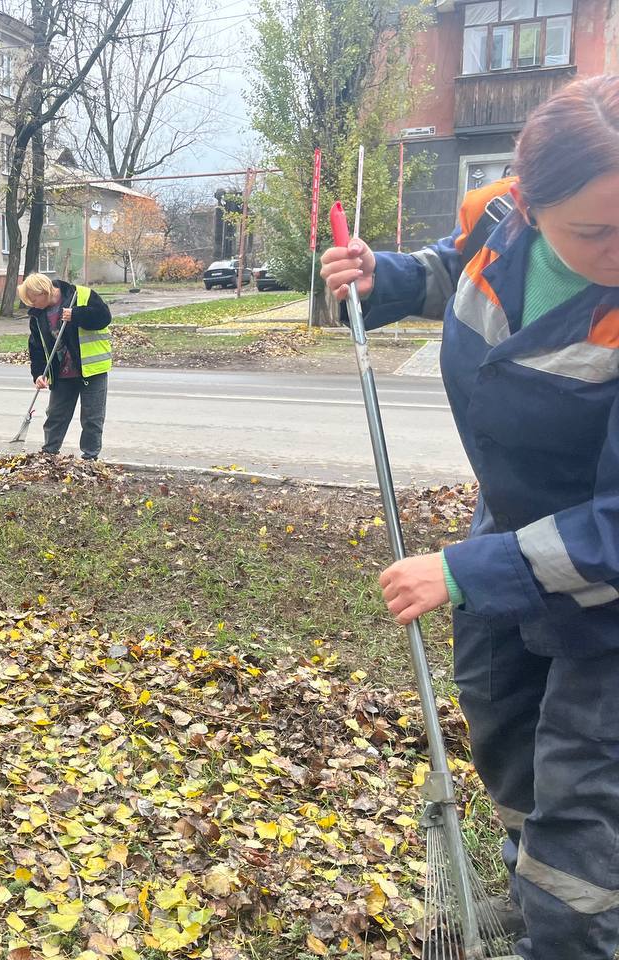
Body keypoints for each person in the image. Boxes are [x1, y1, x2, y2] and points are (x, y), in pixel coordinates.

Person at [320, 75, 619, 959]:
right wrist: (381, 279)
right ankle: (538, 895)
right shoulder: (496, 217)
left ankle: (569, 931)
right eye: (596, 232)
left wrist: (460, 573)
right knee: (508, 744)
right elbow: (454, 269)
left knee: (583, 803)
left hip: (603, 589)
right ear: (527, 204)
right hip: (509, 539)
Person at [18, 272, 113, 460]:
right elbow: (36, 347)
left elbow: (104, 317)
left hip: (91, 369)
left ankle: (90, 458)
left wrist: (77, 315)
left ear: (43, 291)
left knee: (92, 418)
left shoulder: (81, 296)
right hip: (62, 373)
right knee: (55, 415)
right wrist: (38, 373)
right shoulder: (37, 316)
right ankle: (49, 454)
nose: (31, 304)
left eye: (33, 299)